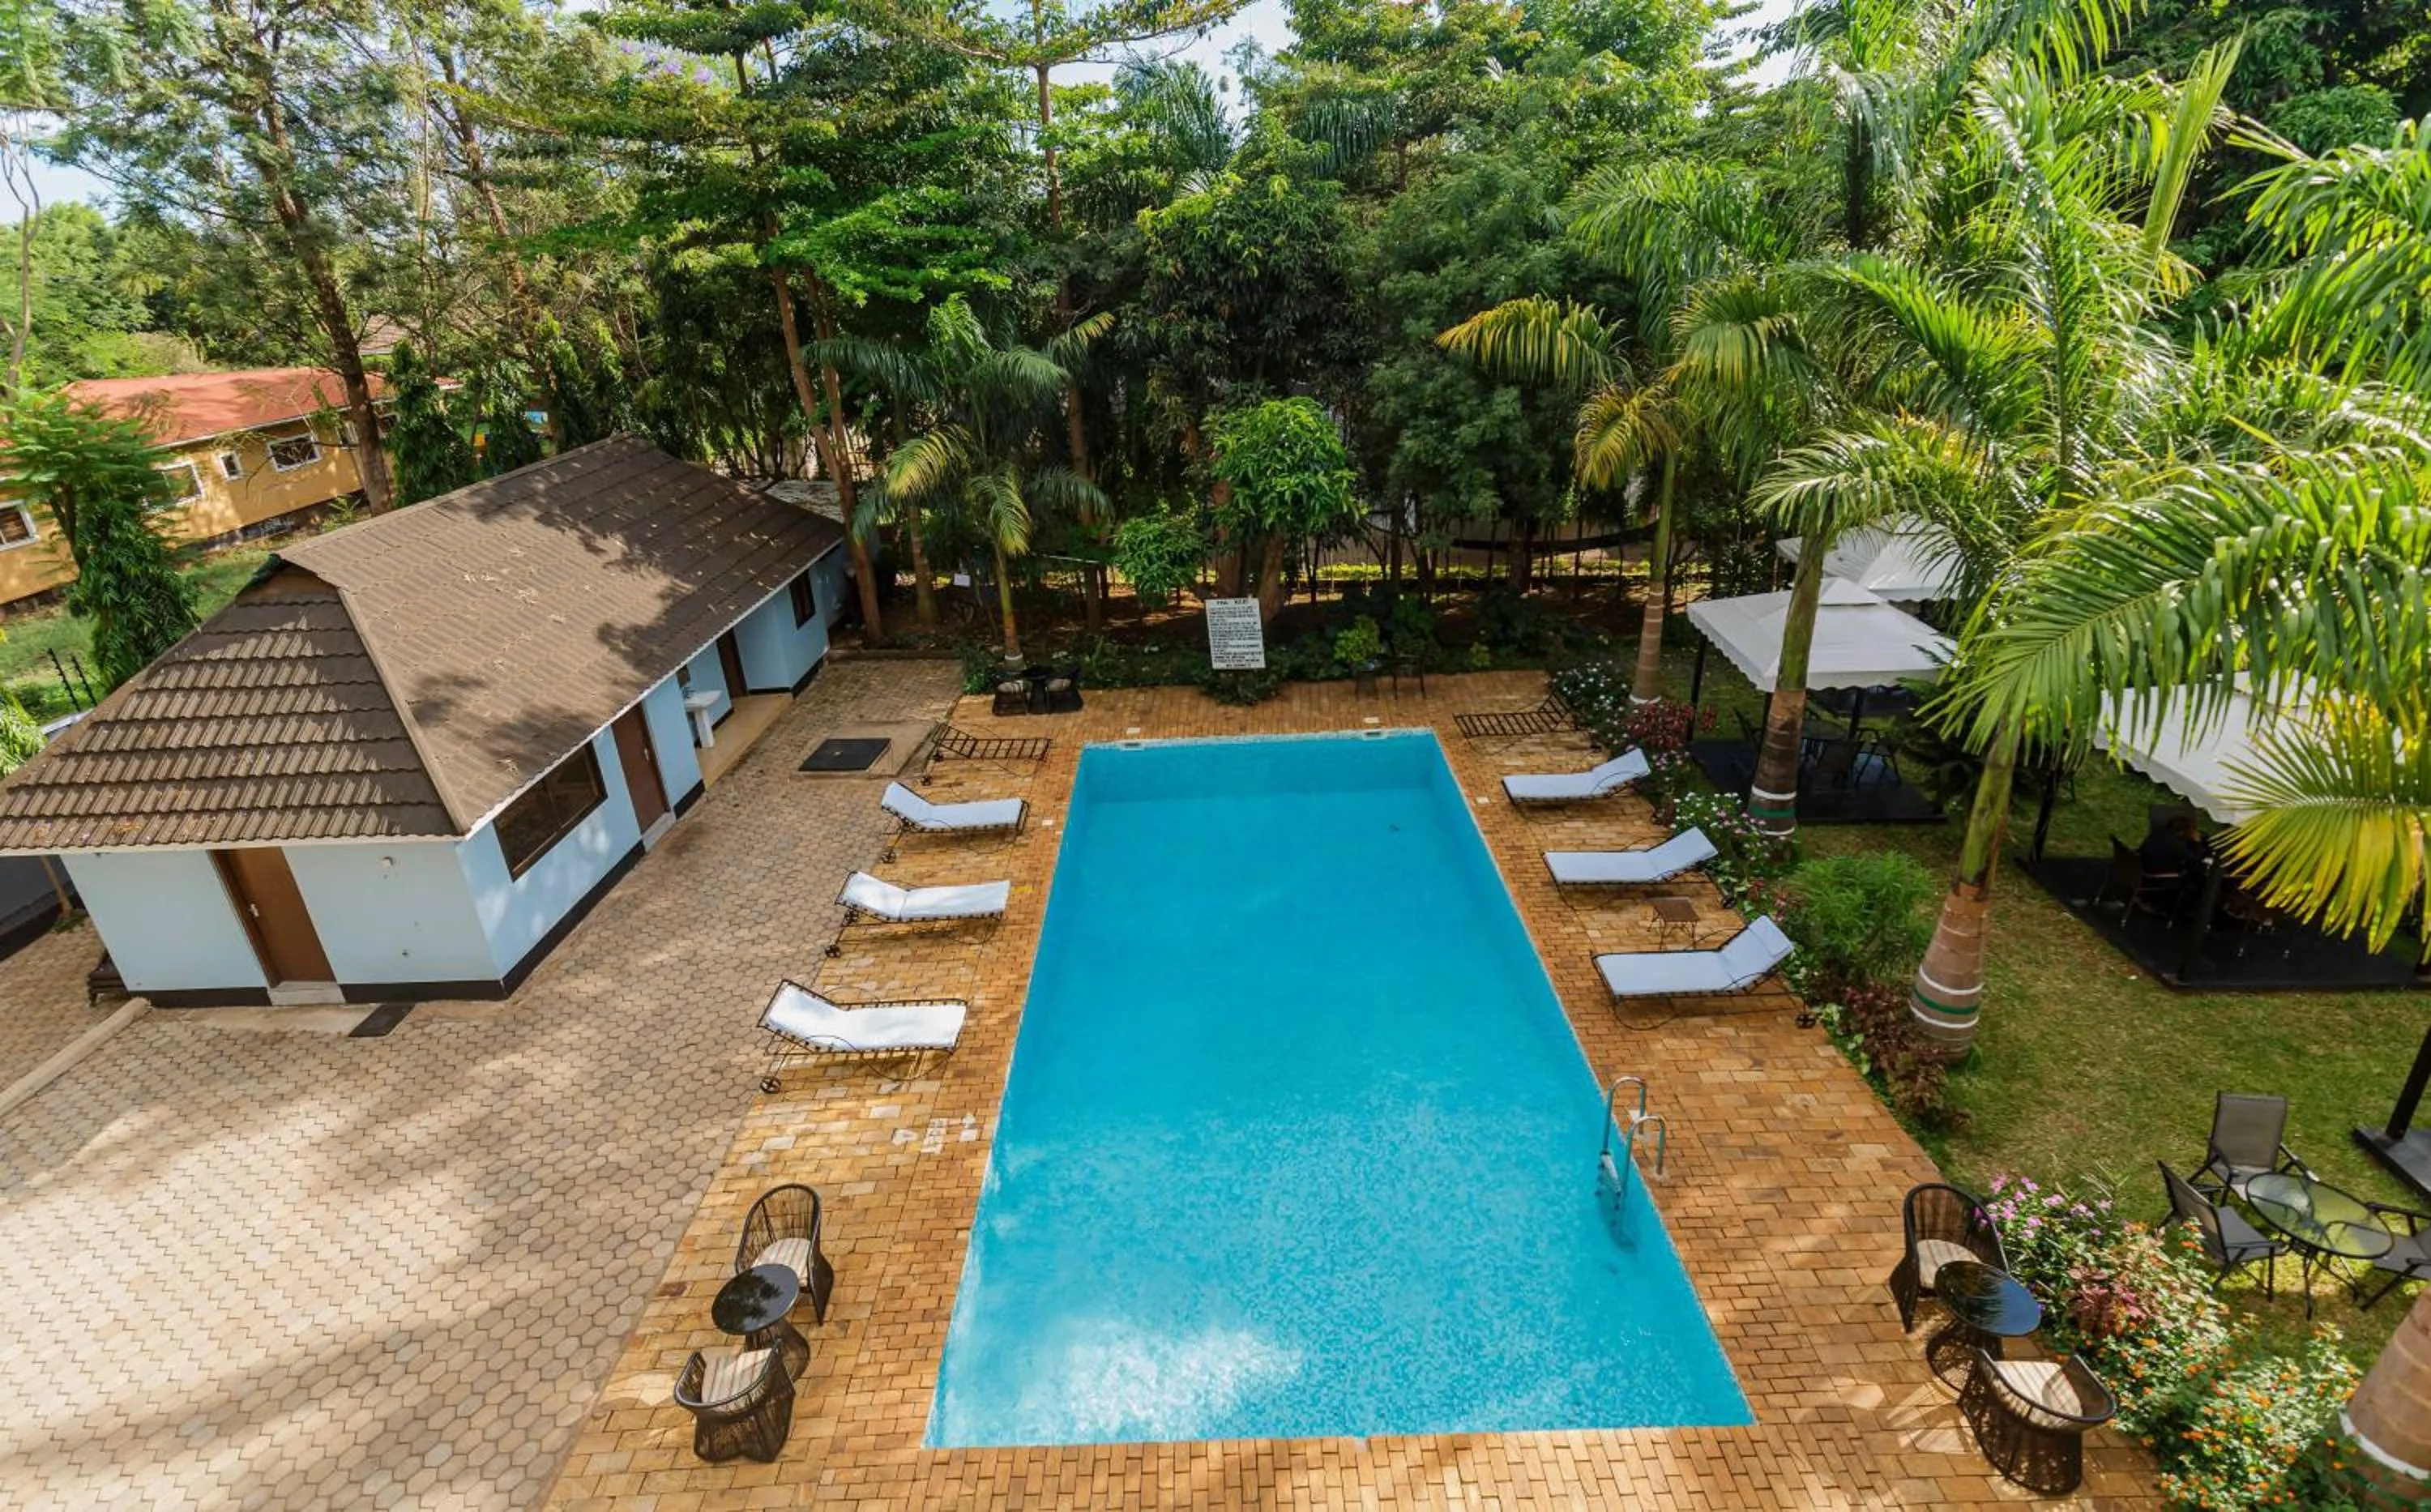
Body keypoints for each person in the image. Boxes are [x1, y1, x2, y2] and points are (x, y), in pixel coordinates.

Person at [2138, 812, 2204, 880]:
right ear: (2183, 831)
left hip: (2140, 866)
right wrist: (2197, 841)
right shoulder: (2177, 845)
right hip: (2154, 875)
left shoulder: (2159, 831)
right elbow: (2195, 860)